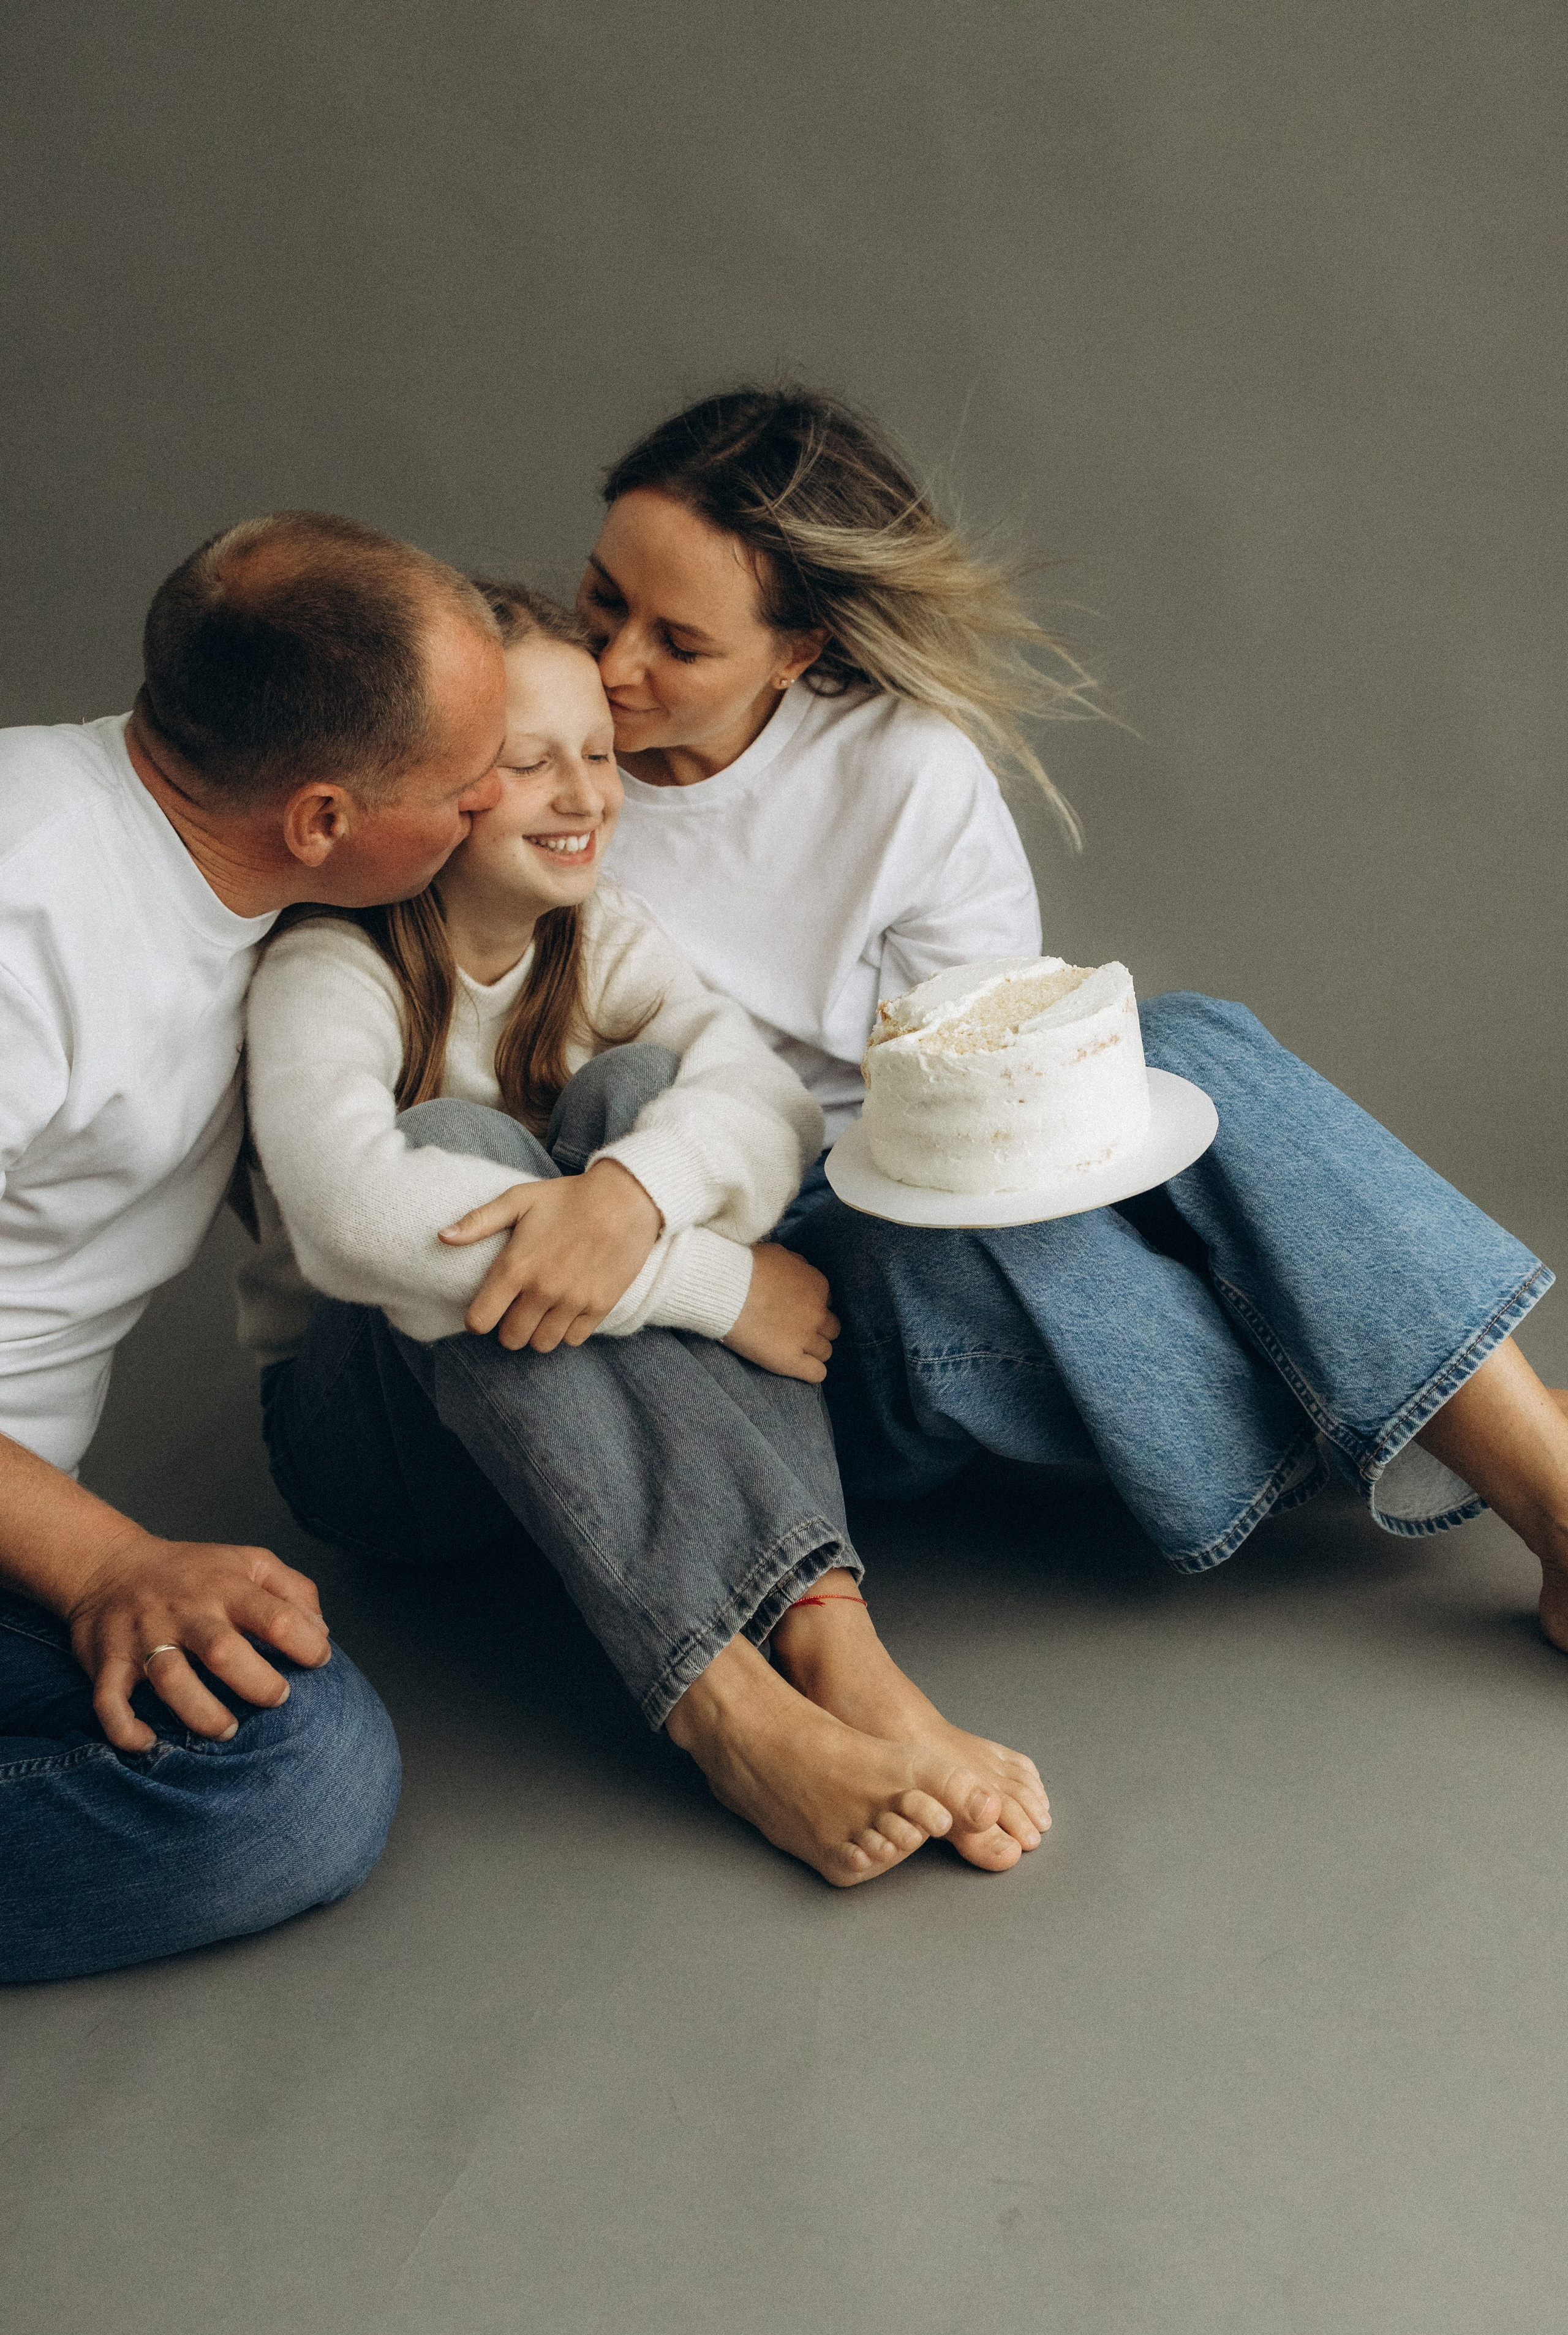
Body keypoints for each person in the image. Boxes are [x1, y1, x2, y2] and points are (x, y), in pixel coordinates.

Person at [585, 386, 1568, 1637]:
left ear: (799, 648)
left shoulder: (899, 769)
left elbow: (987, 1088)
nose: (614, 663)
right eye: (602, 599)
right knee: (982, 1262)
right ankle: (1498, 1417)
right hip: (750, 1280)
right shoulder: (536, 770)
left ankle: (1540, 1490)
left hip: (922, 1176)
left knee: (1189, 1044)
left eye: (678, 642)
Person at [243, 582, 1050, 1888]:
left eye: (599, 757)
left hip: (568, 1431)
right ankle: (725, 1711)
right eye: (527, 765)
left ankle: (835, 1642)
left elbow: (766, 1101)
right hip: (382, 1454)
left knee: (641, 1107)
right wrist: (705, 1284)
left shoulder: (597, 935)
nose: (583, 794)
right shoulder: (331, 967)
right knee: (463, 1151)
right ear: (439, 783)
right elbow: (348, 1229)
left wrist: (625, 1206)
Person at [0, 509, 519, 1982]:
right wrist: (109, 1569)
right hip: (35, 1537)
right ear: (321, 818)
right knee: (291, 1788)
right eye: (464, 786)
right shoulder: (23, 910)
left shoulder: (247, 893)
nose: (488, 808)